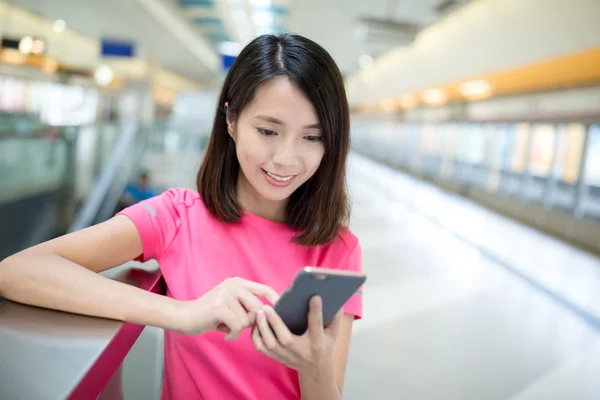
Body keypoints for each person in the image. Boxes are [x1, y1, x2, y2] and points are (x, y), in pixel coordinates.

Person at [0, 34, 362, 399]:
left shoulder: (338, 250)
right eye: (268, 131)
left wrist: (314, 366)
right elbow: (17, 272)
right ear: (231, 120)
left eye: (312, 138)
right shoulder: (178, 217)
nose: (285, 158)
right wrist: (183, 313)